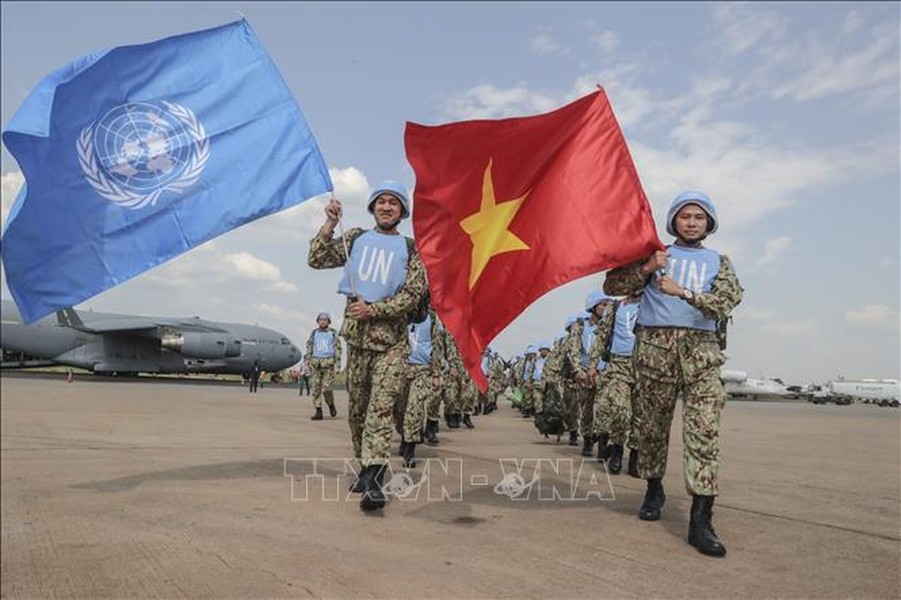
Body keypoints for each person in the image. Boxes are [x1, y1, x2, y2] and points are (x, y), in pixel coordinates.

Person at [604, 190, 743, 557]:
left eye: (699, 217)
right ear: (674, 222)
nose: (692, 222)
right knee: (651, 428)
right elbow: (612, 286)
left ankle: (701, 519)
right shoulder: (654, 254)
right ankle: (653, 488)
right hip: (654, 353)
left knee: (704, 431)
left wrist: (684, 293)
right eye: (685, 217)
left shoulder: (720, 262)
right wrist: (648, 269)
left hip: (702, 355)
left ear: (709, 223)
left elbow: (726, 302)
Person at [307, 181, 428, 512]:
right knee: (358, 412)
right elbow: (316, 259)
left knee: (380, 410)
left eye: (394, 203)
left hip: (391, 344)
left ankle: (376, 481)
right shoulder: (355, 238)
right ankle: (364, 466)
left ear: (403, 211)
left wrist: (375, 309)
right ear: (373, 207)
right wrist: (331, 223)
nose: (387, 207)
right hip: (358, 341)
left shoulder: (412, 248)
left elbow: (413, 294)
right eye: (381, 202)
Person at [589, 292, 642, 475]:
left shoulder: (653, 302)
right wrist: (593, 365)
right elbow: (602, 335)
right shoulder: (616, 306)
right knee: (620, 409)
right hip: (618, 363)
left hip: (645, 364)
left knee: (641, 414)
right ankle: (617, 448)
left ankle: (635, 455)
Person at [401, 300, 445, 466]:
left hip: (423, 370)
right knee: (400, 410)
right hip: (402, 369)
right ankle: (405, 438)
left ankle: (410, 449)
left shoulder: (432, 320)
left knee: (415, 408)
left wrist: (436, 374)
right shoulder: (403, 317)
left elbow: (437, 347)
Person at [304, 312, 342, 420]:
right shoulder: (314, 333)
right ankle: (318, 410)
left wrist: (338, 365)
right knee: (315, 388)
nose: (322, 321)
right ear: (317, 321)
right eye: (320, 319)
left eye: (325, 319)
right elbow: (309, 347)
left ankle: (331, 404)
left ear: (329, 321)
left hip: (328, 365)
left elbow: (338, 350)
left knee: (326, 389)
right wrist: (307, 360)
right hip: (315, 365)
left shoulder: (333, 333)